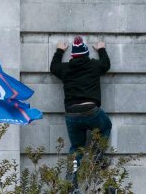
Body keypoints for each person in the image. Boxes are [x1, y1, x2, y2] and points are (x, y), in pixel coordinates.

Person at [50, 36, 112, 185]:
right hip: (91, 110)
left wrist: (59, 51)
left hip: (72, 114)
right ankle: (97, 157)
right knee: (106, 126)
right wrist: (102, 49)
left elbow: (54, 67)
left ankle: (72, 180)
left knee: (76, 148)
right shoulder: (93, 65)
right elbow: (106, 65)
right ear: (86, 54)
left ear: (72, 55)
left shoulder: (65, 69)